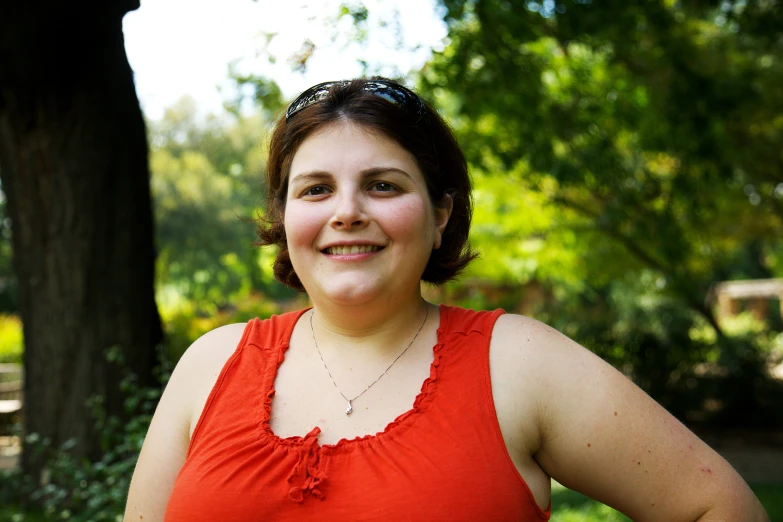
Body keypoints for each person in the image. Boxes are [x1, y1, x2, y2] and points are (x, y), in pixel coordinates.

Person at [124, 78, 769, 521]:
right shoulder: (211, 366)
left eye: (381, 185)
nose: (346, 212)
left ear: (439, 215)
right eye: (315, 189)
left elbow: (716, 505)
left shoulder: (517, 363)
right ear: (284, 217)